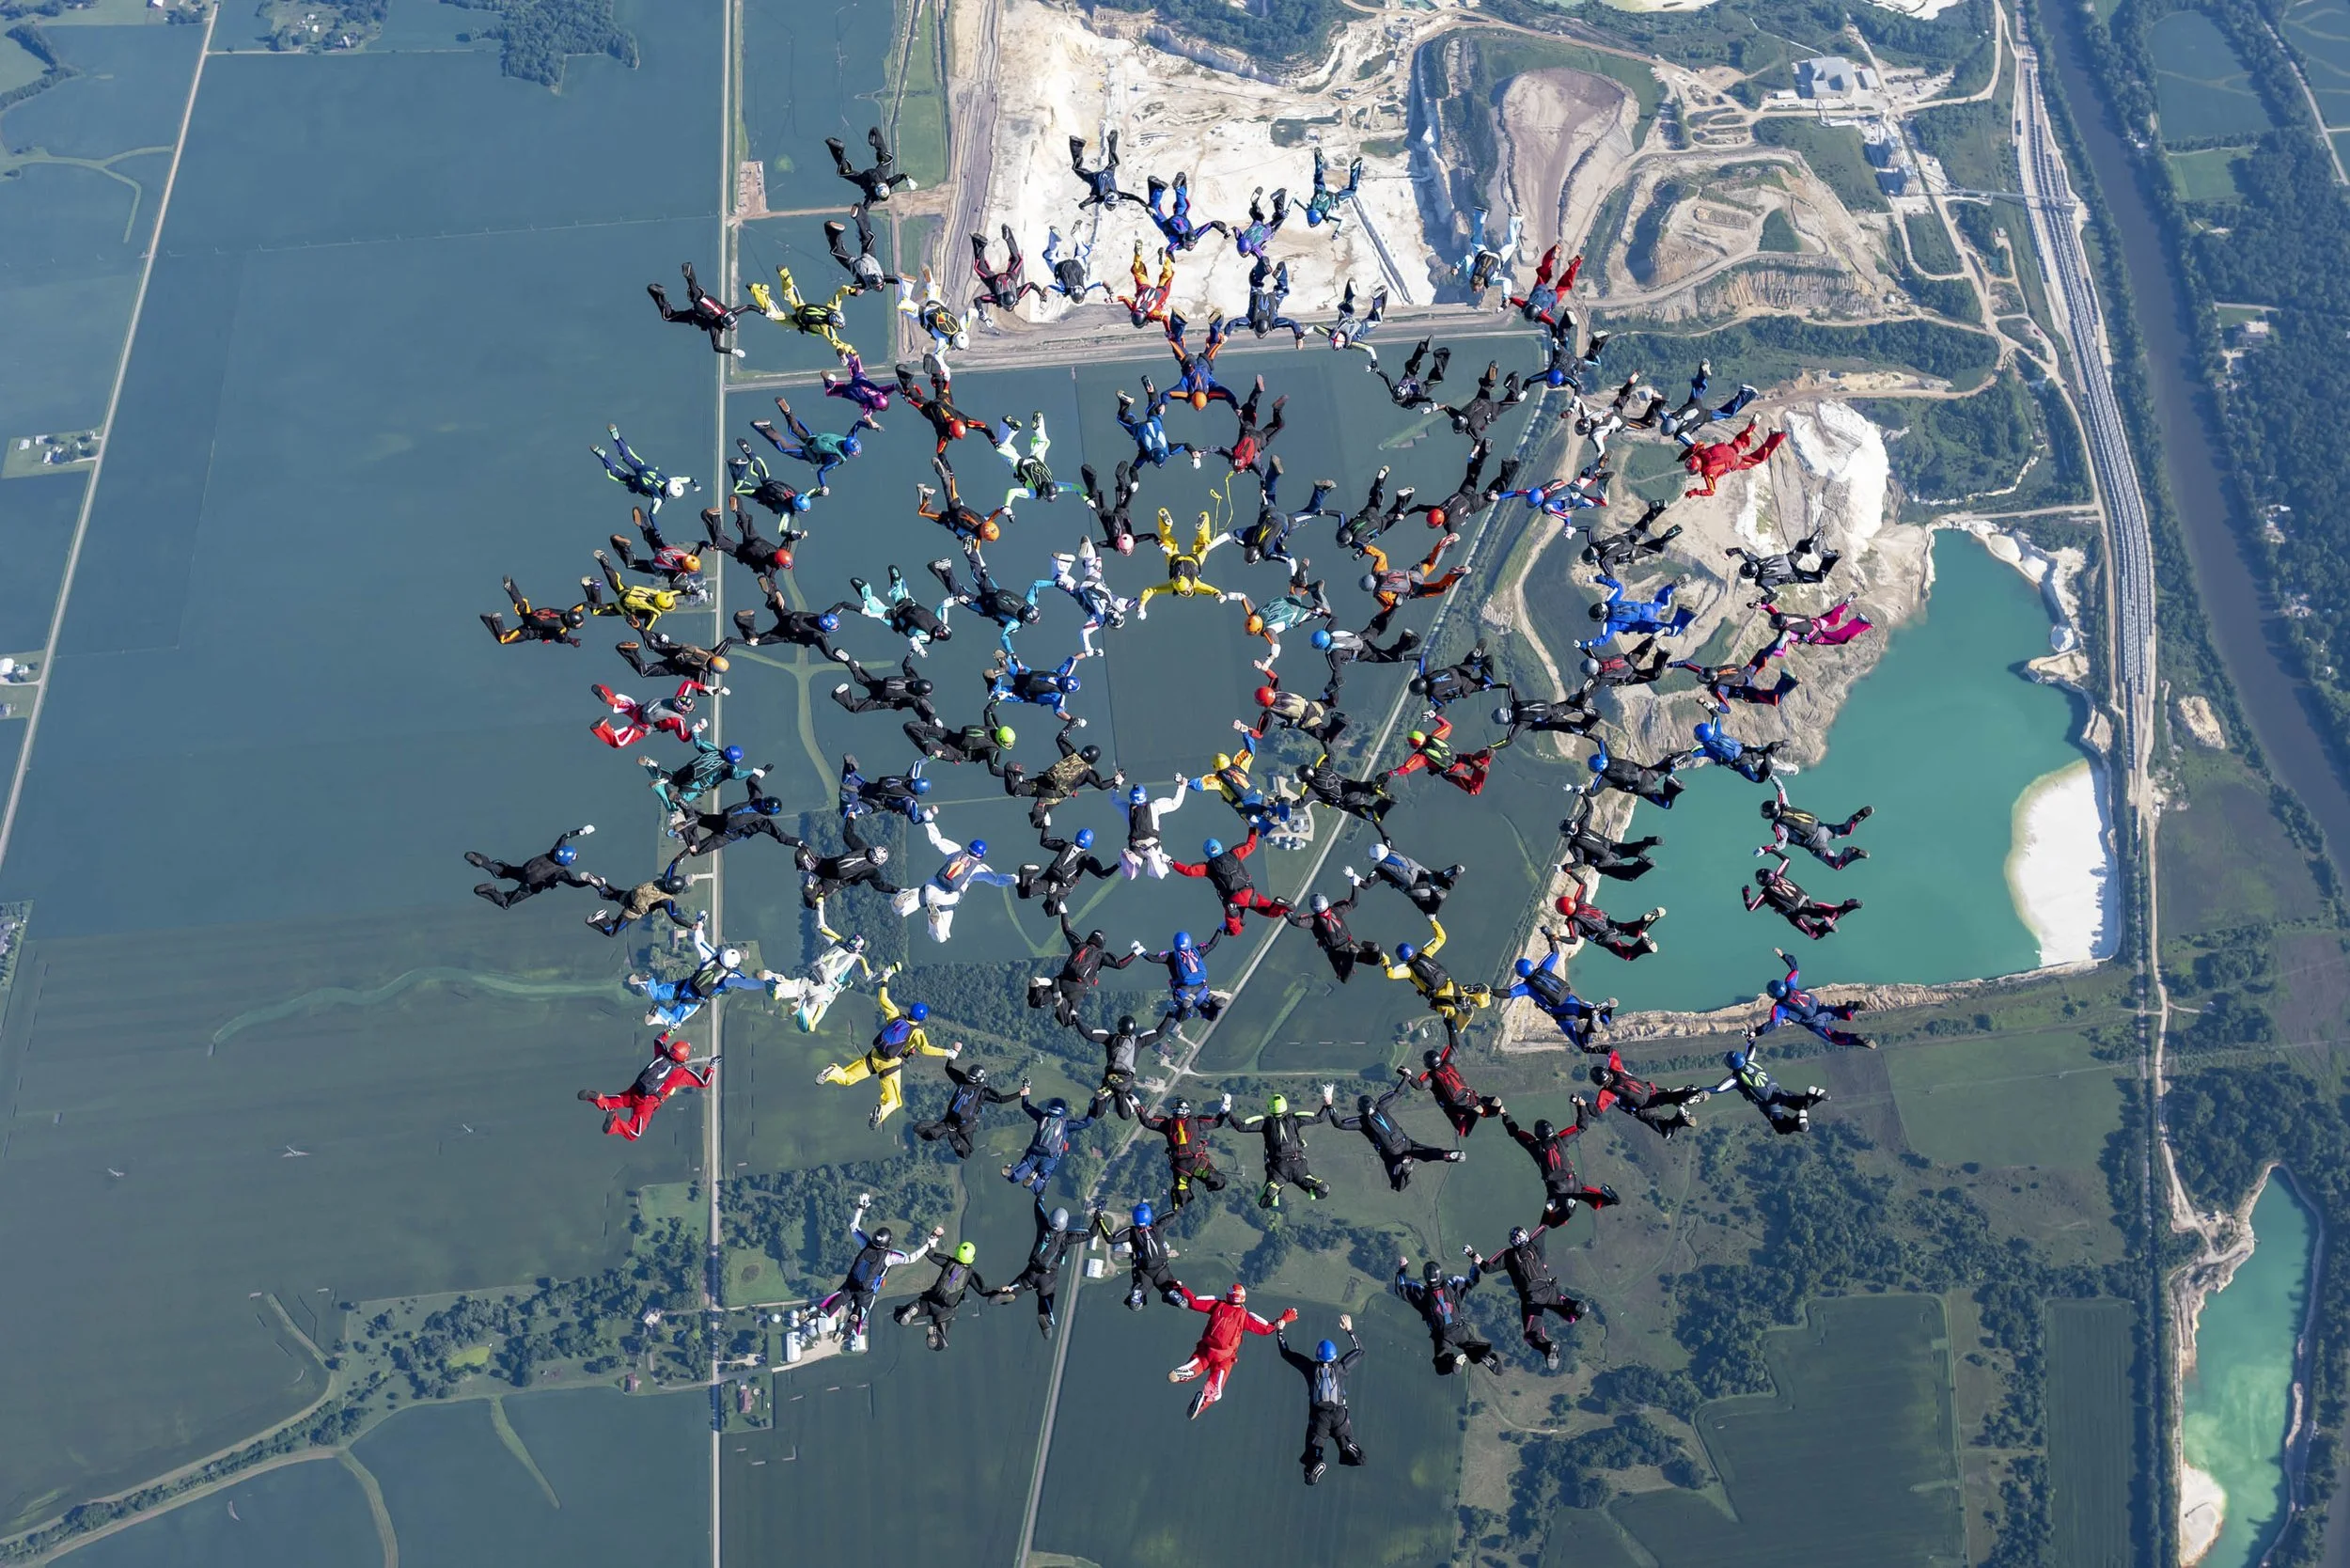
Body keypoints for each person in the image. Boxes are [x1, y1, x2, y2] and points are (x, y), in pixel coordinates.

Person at [816, 980, 957, 1126]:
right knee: (894, 1101)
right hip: (889, 1065)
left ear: (910, 1011)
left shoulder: (896, 1017)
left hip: (874, 1055)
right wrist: (948, 1052)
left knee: (847, 1078)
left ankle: (832, 1072)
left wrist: (885, 979)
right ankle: (880, 1112)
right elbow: (926, 1049)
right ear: (923, 1018)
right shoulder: (917, 1033)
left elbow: (883, 999)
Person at [818, 1196, 940, 1341]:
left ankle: (818, 1311)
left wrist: (860, 1207)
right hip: (867, 1291)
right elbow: (909, 1259)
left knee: (837, 1301)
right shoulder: (889, 1256)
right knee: (859, 1312)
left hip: (851, 1284)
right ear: (889, 1242)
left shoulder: (866, 1244)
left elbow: (853, 1226)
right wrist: (928, 1245)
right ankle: (847, 1329)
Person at [627, 916, 781, 1028]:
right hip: (694, 1000)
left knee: (657, 993)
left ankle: (648, 981)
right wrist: (766, 983)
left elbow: (698, 941)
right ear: (733, 965)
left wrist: (700, 922)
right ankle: (659, 1012)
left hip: (684, 985)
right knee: (675, 1022)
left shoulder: (711, 956)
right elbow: (747, 984)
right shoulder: (730, 976)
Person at [1170, 1282, 1296, 1419]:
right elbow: (1266, 1329)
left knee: (1198, 1363)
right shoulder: (1244, 1316)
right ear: (1243, 1298)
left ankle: (1188, 1372)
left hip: (1206, 1349)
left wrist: (1180, 1288)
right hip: (1225, 1357)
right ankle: (1202, 1402)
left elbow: (1194, 1302)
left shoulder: (1217, 1304)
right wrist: (1284, 1319)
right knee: (1215, 1390)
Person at [1472, 1227, 1583, 1370]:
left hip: (1532, 1298)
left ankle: (1548, 1347)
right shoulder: (1534, 1244)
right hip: (1549, 1290)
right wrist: (1550, 1208)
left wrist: (1474, 1256)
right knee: (1567, 1312)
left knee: (1531, 1335)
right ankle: (1575, 1307)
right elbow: (1544, 1227)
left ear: (1512, 1242)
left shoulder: (1508, 1255)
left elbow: (1488, 1268)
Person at [891, 819, 1016, 943]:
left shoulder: (956, 851)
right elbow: (998, 880)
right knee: (940, 937)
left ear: (969, 848)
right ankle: (936, 919)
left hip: (931, 886)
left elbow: (937, 840)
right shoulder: (979, 868)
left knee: (896, 908)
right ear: (981, 855)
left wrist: (929, 821)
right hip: (946, 899)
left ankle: (909, 895)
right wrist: (1017, 879)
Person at [1501, 1102, 1621, 1228]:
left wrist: (1504, 1114)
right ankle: (1608, 1199)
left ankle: (1569, 1210)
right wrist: (1580, 1105)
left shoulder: (1534, 1146)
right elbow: (1582, 1127)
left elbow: (1516, 1133)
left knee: (1552, 1223)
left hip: (1557, 1189)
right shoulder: (1561, 1140)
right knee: (1584, 1195)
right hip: (1573, 1182)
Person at [1277, 1316, 1366, 1484]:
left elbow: (1286, 1354)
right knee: (1349, 1449)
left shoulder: (1310, 1368)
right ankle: (1351, 1448)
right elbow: (1360, 1351)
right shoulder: (1340, 1368)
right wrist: (1350, 1330)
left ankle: (1316, 1462)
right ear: (1334, 1356)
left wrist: (1280, 1332)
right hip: (1339, 1414)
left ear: (1317, 1355)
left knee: (1312, 1452)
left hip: (1319, 1418)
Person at [1333, 1077, 1462, 1191]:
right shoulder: (1381, 1106)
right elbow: (1397, 1093)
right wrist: (1406, 1076)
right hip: (1405, 1143)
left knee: (1397, 1185)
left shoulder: (1363, 1122)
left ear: (1360, 1110)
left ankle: (1405, 1170)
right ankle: (1446, 1155)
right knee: (1425, 1152)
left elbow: (1340, 1124)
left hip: (1391, 1153)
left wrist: (1329, 1105)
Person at [579, 1033, 715, 1141]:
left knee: (617, 1101)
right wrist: (711, 1066)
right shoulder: (682, 1073)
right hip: (648, 1102)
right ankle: (614, 1124)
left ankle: (599, 1099)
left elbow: (658, 1039)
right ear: (685, 1057)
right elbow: (704, 1083)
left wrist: (670, 1031)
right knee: (634, 1132)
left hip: (637, 1089)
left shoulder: (662, 1054)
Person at [1380, 922, 1495, 1048]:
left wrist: (1384, 959)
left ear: (1401, 958)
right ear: (1412, 949)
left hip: (1440, 997)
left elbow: (1391, 974)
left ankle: (1467, 1011)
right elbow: (1441, 937)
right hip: (1450, 985)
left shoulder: (1409, 970)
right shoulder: (1426, 953)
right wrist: (1432, 920)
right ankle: (1481, 997)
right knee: (1475, 999)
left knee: (1456, 1025)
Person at [992, 1200, 1089, 1334]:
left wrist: (1041, 1193)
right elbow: (1090, 1233)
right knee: (1046, 1299)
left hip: (1031, 1272)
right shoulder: (1067, 1237)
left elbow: (1038, 1206)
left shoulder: (1043, 1226)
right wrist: (1098, 1217)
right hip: (1048, 1278)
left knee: (1020, 1285)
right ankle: (1046, 1317)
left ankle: (1008, 1294)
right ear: (1064, 1224)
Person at [1029, 536, 1135, 658]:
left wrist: (1140, 607)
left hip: (1096, 580)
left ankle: (1088, 550)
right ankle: (1063, 563)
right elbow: (1083, 633)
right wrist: (1088, 649)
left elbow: (1133, 602)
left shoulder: (1120, 605)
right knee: (1058, 578)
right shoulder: (1099, 621)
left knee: (1090, 562)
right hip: (1080, 590)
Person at [1507, 931, 1616, 1049]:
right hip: (1574, 1002)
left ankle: (1592, 1025)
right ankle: (1606, 1009)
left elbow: (1508, 993)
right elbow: (1555, 953)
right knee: (1605, 1019)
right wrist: (1550, 937)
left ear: (1520, 973)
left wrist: (1490, 991)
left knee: (1584, 1045)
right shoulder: (1544, 969)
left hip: (1564, 1014)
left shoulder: (1526, 987)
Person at [1231, 1087, 1336, 1209]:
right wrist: (1327, 1103)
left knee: (1262, 1202)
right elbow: (1319, 1118)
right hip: (1297, 1163)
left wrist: (1227, 1111)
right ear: (1285, 1106)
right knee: (1317, 1190)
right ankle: (1312, 1183)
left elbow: (1241, 1127)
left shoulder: (1266, 1123)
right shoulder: (1294, 1119)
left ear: (1270, 1107)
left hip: (1278, 1167)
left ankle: (1274, 1186)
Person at [1391, 1258, 1498, 1375]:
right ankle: (1485, 1356)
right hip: (1460, 1329)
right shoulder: (1453, 1285)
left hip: (1442, 1335)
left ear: (1426, 1277)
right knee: (1473, 1347)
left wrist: (1403, 1268)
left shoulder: (1420, 1293)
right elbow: (1472, 1281)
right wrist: (1475, 1264)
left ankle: (1452, 1364)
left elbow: (1400, 1289)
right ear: (1440, 1274)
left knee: (1440, 1364)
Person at [1172, 830, 1290, 936]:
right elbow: (1251, 845)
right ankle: (1281, 905)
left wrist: (1172, 862)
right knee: (1270, 911)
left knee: (1235, 929)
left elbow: (1189, 871)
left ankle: (1233, 914)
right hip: (1250, 893)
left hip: (1234, 900)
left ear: (1207, 853)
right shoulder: (1234, 854)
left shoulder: (1208, 867)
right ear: (1220, 847)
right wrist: (1252, 829)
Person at [1750, 949, 1872, 1049]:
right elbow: (1794, 968)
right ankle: (1851, 1008)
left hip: (1815, 1022)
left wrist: (1756, 1032)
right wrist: (1783, 955)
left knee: (1835, 1037)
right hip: (1821, 1008)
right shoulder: (1790, 984)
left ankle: (1856, 1039)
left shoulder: (1780, 1007)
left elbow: (1772, 1024)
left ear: (1773, 995)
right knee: (1837, 1012)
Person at [750, 397, 873, 495]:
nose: (856, 453)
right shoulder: (837, 459)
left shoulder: (846, 439)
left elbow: (857, 425)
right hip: (810, 454)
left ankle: (787, 412)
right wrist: (823, 486)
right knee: (785, 447)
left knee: (796, 428)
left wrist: (871, 425)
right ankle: (766, 428)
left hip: (813, 439)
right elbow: (821, 471)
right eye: (855, 452)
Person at [769, 920, 878, 1032]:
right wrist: (888, 973)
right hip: (827, 991)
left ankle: (779, 986)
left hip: (811, 979)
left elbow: (822, 927)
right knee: (815, 1015)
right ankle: (804, 1013)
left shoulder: (838, 944)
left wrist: (820, 905)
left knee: (795, 987)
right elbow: (871, 978)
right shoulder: (858, 963)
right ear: (859, 950)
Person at [998, 733, 1122, 830]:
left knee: (1014, 790)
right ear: (1094, 760)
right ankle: (1041, 812)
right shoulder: (1088, 773)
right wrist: (1116, 779)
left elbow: (1060, 738)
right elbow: (1101, 785)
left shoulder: (1071, 755)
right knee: (1037, 823)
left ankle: (1012, 771)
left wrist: (1071, 725)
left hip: (1041, 782)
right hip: (1050, 796)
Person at [1025, 915, 1132, 1025]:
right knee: (1068, 1019)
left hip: (1060, 982)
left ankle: (1041, 984)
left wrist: (1063, 912)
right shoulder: (1101, 956)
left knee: (1036, 1003)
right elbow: (1120, 964)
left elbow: (1066, 929)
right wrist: (1135, 953)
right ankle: (1060, 1004)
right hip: (1077, 989)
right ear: (1102, 944)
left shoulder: (1079, 945)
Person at [1234, 458, 1340, 569]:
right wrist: (1213, 545)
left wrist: (1294, 578)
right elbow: (1228, 536)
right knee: (1269, 492)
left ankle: (1321, 490)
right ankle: (1274, 471)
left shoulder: (1268, 553)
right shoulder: (1248, 539)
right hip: (1269, 514)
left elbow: (1290, 560)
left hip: (1287, 523)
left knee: (1311, 512)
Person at [1588, 1049, 1709, 1141]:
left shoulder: (1606, 1093)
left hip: (1644, 1110)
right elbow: (1611, 1050)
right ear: (1606, 1071)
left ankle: (1679, 1120)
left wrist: (1583, 1104)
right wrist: (1592, 1049)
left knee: (1666, 1131)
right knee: (1672, 1095)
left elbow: (1597, 1111)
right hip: (1653, 1093)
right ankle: (1691, 1094)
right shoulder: (1616, 1068)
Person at [930, 544, 1040, 646]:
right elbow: (1004, 635)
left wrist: (1055, 584)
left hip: (993, 591)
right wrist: (1011, 652)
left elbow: (1036, 584)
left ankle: (970, 551)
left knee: (980, 575)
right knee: (959, 594)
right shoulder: (1015, 622)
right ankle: (946, 569)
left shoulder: (1028, 601)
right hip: (984, 607)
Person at [913, 1059, 1024, 1159]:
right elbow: (1002, 1099)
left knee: (930, 1131)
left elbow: (948, 1068)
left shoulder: (962, 1080)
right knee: (966, 1153)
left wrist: (953, 1054)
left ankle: (934, 1130)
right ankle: (956, 1141)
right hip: (967, 1124)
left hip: (950, 1119)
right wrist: (1021, 1093)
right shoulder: (983, 1091)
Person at [892, 1240, 992, 1351]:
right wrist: (1002, 1290)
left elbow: (930, 1254)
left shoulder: (948, 1262)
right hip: (945, 1310)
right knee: (939, 1343)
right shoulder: (971, 1275)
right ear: (971, 1257)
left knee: (899, 1315)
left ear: (957, 1251)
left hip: (931, 1299)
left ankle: (914, 1309)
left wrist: (934, 1239)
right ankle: (935, 1332)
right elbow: (983, 1291)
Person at [1139, 1091, 1233, 1210]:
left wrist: (1138, 1107)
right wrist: (1226, 1106)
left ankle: (1180, 1204)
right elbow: (1216, 1123)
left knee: (1182, 1192)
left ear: (1174, 1111)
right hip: (1197, 1161)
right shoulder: (1196, 1122)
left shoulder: (1166, 1124)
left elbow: (1146, 1122)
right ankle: (1202, 1173)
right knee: (1219, 1182)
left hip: (1180, 1166)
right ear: (1187, 1110)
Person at [791, 817, 903, 913]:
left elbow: (847, 834)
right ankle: (811, 886)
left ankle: (806, 857)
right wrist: (897, 890)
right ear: (879, 863)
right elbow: (880, 886)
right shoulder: (872, 871)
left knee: (815, 862)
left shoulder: (863, 848)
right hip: (835, 880)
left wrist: (851, 817)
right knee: (815, 903)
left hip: (830, 865)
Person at [1359, 534, 1466, 635]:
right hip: (1413, 573)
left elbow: (1390, 606)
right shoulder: (1378, 571)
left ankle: (1454, 575)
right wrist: (1365, 549)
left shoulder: (1380, 593)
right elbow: (1381, 555)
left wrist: (1378, 617)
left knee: (1440, 588)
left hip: (1415, 589)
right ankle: (1444, 543)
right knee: (1432, 562)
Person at [1406, 442, 1517, 540]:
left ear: (1439, 523)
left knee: (1496, 491)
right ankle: (1483, 453)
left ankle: (1511, 465)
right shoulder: (1438, 509)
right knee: (1473, 475)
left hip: (1474, 504)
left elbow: (1452, 537)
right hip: (1464, 493)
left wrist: (1443, 549)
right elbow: (1420, 507)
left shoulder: (1450, 523)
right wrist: (1405, 514)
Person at [466, 824, 597, 907]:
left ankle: (482, 862)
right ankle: (489, 891)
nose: (576, 856)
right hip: (530, 886)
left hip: (524, 871)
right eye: (574, 856)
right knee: (506, 903)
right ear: (567, 862)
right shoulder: (560, 873)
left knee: (503, 871)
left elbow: (564, 837)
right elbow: (575, 884)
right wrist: (591, 882)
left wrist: (581, 831)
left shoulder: (554, 852)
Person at [730, 574, 854, 660]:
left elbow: (842, 604)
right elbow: (829, 654)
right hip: (784, 634)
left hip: (789, 617)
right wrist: (847, 661)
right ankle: (746, 620)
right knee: (754, 641)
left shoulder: (824, 616)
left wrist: (862, 609)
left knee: (777, 604)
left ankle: (772, 593)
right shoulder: (818, 636)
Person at [1712, 1046, 1830, 1134]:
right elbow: (1752, 1047)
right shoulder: (1749, 1061)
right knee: (1801, 1105)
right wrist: (1750, 1037)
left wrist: (1698, 1089)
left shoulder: (1736, 1078)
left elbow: (1718, 1089)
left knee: (1782, 1128)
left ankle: (1800, 1122)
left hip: (1769, 1105)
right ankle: (1812, 1094)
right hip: (1779, 1092)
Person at [1135, 509, 1232, 615]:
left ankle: (1201, 528)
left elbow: (1210, 590)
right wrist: (1142, 604)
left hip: (1194, 559)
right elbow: (1151, 590)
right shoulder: (1175, 585)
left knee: (1204, 544)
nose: (1188, 591)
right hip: (1175, 557)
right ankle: (1167, 524)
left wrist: (1218, 595)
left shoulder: (1193, 584)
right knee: (1167, 538)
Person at [1745, 853, 1863, 940]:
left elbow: (1751, 907)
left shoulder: (1766, 893)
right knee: (1833, 913)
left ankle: (1826, 926)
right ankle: (1847, 906)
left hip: (1797, 914)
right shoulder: (1779, 875)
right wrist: (1770, 850)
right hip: (1807, 902)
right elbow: (1787, 859)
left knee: (1814, 933)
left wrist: (1746, 894)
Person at [747, 267, 859, 358]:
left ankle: (786, 276)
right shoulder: (827, 328)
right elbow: (837, 343)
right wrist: (852, 351)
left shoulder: (833, 308)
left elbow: (839, 293)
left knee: (791, 294)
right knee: (774, 315)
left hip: (802, 307)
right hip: (797, 322)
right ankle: (759, 290)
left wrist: (851, 290)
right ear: (834, 323)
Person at [849, 562, 955, 658]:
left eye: (940, 634)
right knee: (875, 609)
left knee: (877, 607)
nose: (939, 631)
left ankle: (868, 588)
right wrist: (957, 600)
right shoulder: (930, 634)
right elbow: (944, 605)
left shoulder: (936, 626)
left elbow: (944, 605)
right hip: (900, 616)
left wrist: (956, 600)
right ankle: (889, 583)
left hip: (902, 612)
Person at [1078, 1012, 1171, 1121]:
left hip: (1110, 1077)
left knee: (1097, 1114)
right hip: (1125, 1079)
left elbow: (1089, 1034)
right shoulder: (1138, 1042)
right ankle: (1121, 1095)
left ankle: (1100, 1100)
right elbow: (1159, 1033)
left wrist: (1077, 1019)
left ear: (1119, 1026)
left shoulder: (1110, 1038)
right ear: (1133, 1028)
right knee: (1125, 1115)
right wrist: (1169, 1016)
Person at [1760, 777, 1872, 868]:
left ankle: (1848, 853)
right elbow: (1781, 789)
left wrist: (1765, 849)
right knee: (1844, 830)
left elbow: (1781, 845)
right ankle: (1855, 819)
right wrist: (1771, 776)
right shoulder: (1785, 805)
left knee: (1836, 864)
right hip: (1822, 827)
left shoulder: (1779, 826)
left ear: (1769, 815)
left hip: (1816, 844)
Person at [1095, 1200, 1185, 1309]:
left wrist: (1100, 1216)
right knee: (1167, 1285)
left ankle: (1139, 1293)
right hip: (1161, 1268)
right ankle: (1171, 1292)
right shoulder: (1158, 1226)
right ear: (1149, 1216)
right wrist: (1178, 1200)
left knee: (1142, 1286)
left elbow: (1110, 1238)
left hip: (1144, 1270)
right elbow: (1177, 1214)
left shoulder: (1132, 1232)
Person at [1559, 787, 1662, 881]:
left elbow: (1579, 862)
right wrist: (1582, 793)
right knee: (1632, 849)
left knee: (1629, 875)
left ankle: (1646, 864)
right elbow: (1590, 808)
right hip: (1612, 847)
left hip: (1605, 863)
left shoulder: (1573, 845)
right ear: (1574, 824)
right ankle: (1649, 842)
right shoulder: (1583, 826)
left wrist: (1564, 867)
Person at [646, 260, 746, 357]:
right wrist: (733, 351)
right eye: (733, 326)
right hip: (695, 315)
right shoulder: (714, 327)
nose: (734, 328)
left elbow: (748, 307)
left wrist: (761, 311)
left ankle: (687, 274)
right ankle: (658, 294)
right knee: (669, 316)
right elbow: (716, 347)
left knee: (696, 294)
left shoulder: (730, 312)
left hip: (703, 305)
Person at [1283, 889, 1386, 982]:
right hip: (1349, 945)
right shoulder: (1335, 910)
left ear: (1313, 908)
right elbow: (1354, 902)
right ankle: (1372, 949)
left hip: (1336, 953)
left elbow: (1296, 922)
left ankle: (1355, 954)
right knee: (1374, 960)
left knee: (1344, 978)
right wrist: (1354, 882)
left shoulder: (1313, 920)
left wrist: (1284, 910)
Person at [1388, 713, 1502, 797]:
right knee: (1474, 759)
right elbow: (1448, 726)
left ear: (1414, 745)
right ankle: (1483, 757)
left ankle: (1480, 770)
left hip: (1454, 772)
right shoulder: (1435, 737)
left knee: (1473, 790)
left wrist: (1389, 774)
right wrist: (1434, 716)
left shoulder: (1421, 757)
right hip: (1462, 758)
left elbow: (1406, 769)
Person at [1551, 878, 1663, 961]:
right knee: (1634, 930)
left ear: (1563, 912)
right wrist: (1570, 872)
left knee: (1628, 955)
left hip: (1606, 938)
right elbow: (1583, 884)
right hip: (1611, 925)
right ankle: (1645, 921)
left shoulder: (1573, 922)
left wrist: (1558, 938)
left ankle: (1644, 945)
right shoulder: (1580, 902)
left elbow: (1573, 940)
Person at [593, 424, 696, 514]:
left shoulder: (671, 480)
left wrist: (694, 482)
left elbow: (687, 479)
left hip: (644, 469)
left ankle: (617, 438)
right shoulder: (659, 498)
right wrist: (657, 531)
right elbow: (652, 514)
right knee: (615, 473)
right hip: (637, 483)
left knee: (627, 456)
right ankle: (603, 455)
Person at [895, 357, 987, 455]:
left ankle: (931, 372)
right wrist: (910, 401)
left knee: (938, 383)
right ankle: (909, 379)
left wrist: (994, 441)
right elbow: (940, 452)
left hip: (942, 401)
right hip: (932, 407)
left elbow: (984, 427)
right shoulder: (946, 431)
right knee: (915, 394)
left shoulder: (964, 421)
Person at [1016, 832, 1120, 920]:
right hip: (1063, 885)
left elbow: (1044, 841)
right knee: (1051, 910)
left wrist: (1046, 825)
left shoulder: (1065, 846)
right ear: (1090, 843)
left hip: (1049, 876)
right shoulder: (1086, 859)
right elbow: (1102, 875)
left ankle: (1027, 875)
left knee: (1024, 893)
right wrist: (1119, 864)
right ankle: (1053, 894)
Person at [1004, 1096, 1094, 1195]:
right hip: (1049, 1158)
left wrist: (1026, 1091)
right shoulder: (1066, 1125)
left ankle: (1012, 1171)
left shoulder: (1041, 1117)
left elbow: (1025, 1106)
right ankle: (1034, 1180)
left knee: (1015, 1176)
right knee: (1041, 1188)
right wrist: (1094, 1105)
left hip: (1033, 1155)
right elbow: (1087, 1123)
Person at [1349, 839, 1464, 917]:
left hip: (1415, 887)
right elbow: (1385, 835)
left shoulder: (1380, 870)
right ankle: (1448, 876)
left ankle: (1436, 903)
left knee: (1428, 909)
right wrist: (1374, 819)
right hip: (1425, 874)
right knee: (1441, 881)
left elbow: (1367, 885)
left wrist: (1353, 877)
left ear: (1375, 859)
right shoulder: (1392, 850)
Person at [585, 859, 697, 938]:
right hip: (633, 911)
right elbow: (675, 918)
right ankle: (603, 918)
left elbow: (674, 863)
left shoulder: (664, 880)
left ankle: (600, 884)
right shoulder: (667, 901)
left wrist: (686, 851)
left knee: (608, 894)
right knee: (612, 932)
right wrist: (691, 925)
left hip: (630, 896)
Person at [916, 454, 1010, 548]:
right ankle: (928, 493)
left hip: (958, 505)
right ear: (986, 539)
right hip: (948, 519)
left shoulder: (986, 520)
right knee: (925, 511)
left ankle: (934, 487)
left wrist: (1004, 509)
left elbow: (996, 512)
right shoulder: (975, 538)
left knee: (948, 486)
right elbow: (976, 552)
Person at [1415, 1038, 1501, 1137]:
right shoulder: (1448, 1063)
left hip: (1457, 1107)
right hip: (1471, 1098)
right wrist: (1450, 1026)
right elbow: (1454, 1045)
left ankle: (1475, 1113)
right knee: (1482, 1104)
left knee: (1464, 1132)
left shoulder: (1431, 1077)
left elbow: (1419, 1086)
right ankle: (1500, 1111)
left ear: (1427, 1064)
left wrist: (1407, 1076)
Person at [1113, 377, 1202, 472]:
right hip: (1139, 429)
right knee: (1123, 418)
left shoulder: (1168, 450)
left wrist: (1194, 454)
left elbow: (1186, 445)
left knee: (1155, 406)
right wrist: (1135, 482)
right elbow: (1134, 468)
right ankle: (1125, 404)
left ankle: (1151, 391)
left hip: (1155, 422)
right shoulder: (1146, 455)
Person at [588, 678, 708, 749]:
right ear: (683, 711)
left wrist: (704, 688)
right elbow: (684, 738)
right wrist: (697, 729)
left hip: (640, 710)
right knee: (618, 742)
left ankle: (608, 697)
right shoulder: (678, 721)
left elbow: (688, 683)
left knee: (627, 706)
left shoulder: (677, 698)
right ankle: (602, 727)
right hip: (643, 727)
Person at [1580, 574, 1695, 648]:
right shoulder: (1610, 601)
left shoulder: (1610, 624)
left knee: (1672, 632)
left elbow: (1602, 640)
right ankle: (1671, 587)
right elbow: (1619, 587)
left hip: (1644, 623)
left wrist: (1586, 644)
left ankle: (1683, 612)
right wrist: (1597, 579)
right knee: (1661, 601)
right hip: (1645, 608)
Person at [701, 497, 803, 580]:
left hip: (754, 539)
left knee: (745, 522)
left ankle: (738, 508)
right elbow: (770, 582)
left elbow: (788, 539)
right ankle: (714, 517)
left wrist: (798, 536)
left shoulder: (782, 551)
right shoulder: (770, 569)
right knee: (720, 542)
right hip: (742, 552)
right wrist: (774, 592)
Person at [1313, 624, 1420, 701]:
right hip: (1363, 636)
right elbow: (1333, 618)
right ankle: (1394, 607)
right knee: (1378, 626)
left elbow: (1337, 673)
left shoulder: (1332, 654)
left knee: (1389, 657)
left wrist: (1329, 690)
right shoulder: (1330, 631)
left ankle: (1409, 639)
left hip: (1365, 653)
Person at [1584, 738, 1694, 809]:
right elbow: (1601, 741)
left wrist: (1577, 790)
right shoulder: (1610, 758)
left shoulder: (1605, 778)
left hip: (1644, 788)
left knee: (1666, 804)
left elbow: (1592, 793)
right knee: (1667, 761)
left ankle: (1672, 786)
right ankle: (1676, 761)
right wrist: (1586, 734)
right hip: (1647, 773)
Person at [834, 655, 942, 728]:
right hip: (883, 700)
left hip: (882, 685)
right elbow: (923, 712)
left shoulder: (914, 678)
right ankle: (841, 694)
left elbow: (905, 666)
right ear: (921, 693)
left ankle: (850, 662)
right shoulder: (914, 699)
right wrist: (933, 721)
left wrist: (911, 653)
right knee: (856, 708)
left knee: (862, 678)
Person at [1682, 421, 1785, 497]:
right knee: (1743, 441)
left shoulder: (1709, 473)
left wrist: (1694, 492)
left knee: (1758, 458)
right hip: (1730, 449)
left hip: (1736, 462)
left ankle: (1777, 436)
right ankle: (1753, 425)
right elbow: (1699, 444)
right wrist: (1686, 454)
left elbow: (1711, 491)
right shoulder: (1700, 453)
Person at [1213, 375, 1287, 481]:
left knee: (1278, 425)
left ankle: (1277, 411)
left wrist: (1263, 486)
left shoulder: (1252, 462)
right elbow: (1218, 449)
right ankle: (1258, 390)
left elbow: (1262, 471)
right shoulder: (1232, 455)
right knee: (1250, 409)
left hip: (1261, 439)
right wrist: (1200, 453)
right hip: (1247, 429)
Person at [1162, 310, 1238, 412]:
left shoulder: (1210, 391)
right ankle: (1179, 321)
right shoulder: (1186, 392)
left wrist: (1236, 408)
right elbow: (1167, 394)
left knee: (1214, 342)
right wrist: (1163, 404)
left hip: (1205, 362)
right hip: (1189, 363)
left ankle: (1216, 321)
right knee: (1176, 342)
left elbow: (1228, 395)